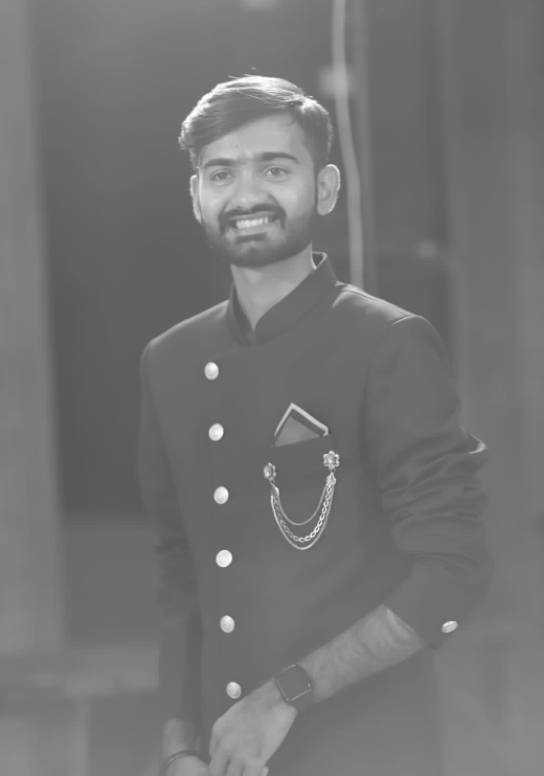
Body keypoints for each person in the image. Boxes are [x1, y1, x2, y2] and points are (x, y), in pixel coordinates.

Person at [139, 75, 491, 776]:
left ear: (325, 188)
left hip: (369, 753)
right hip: (221, 758)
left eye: (275, 169)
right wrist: (178, 745)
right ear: (196, 196)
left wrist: (286, 695)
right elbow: (181, 574)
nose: (246, 195)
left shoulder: (387, 343)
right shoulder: (170, 360)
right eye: (221, 174)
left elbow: (453, 571)